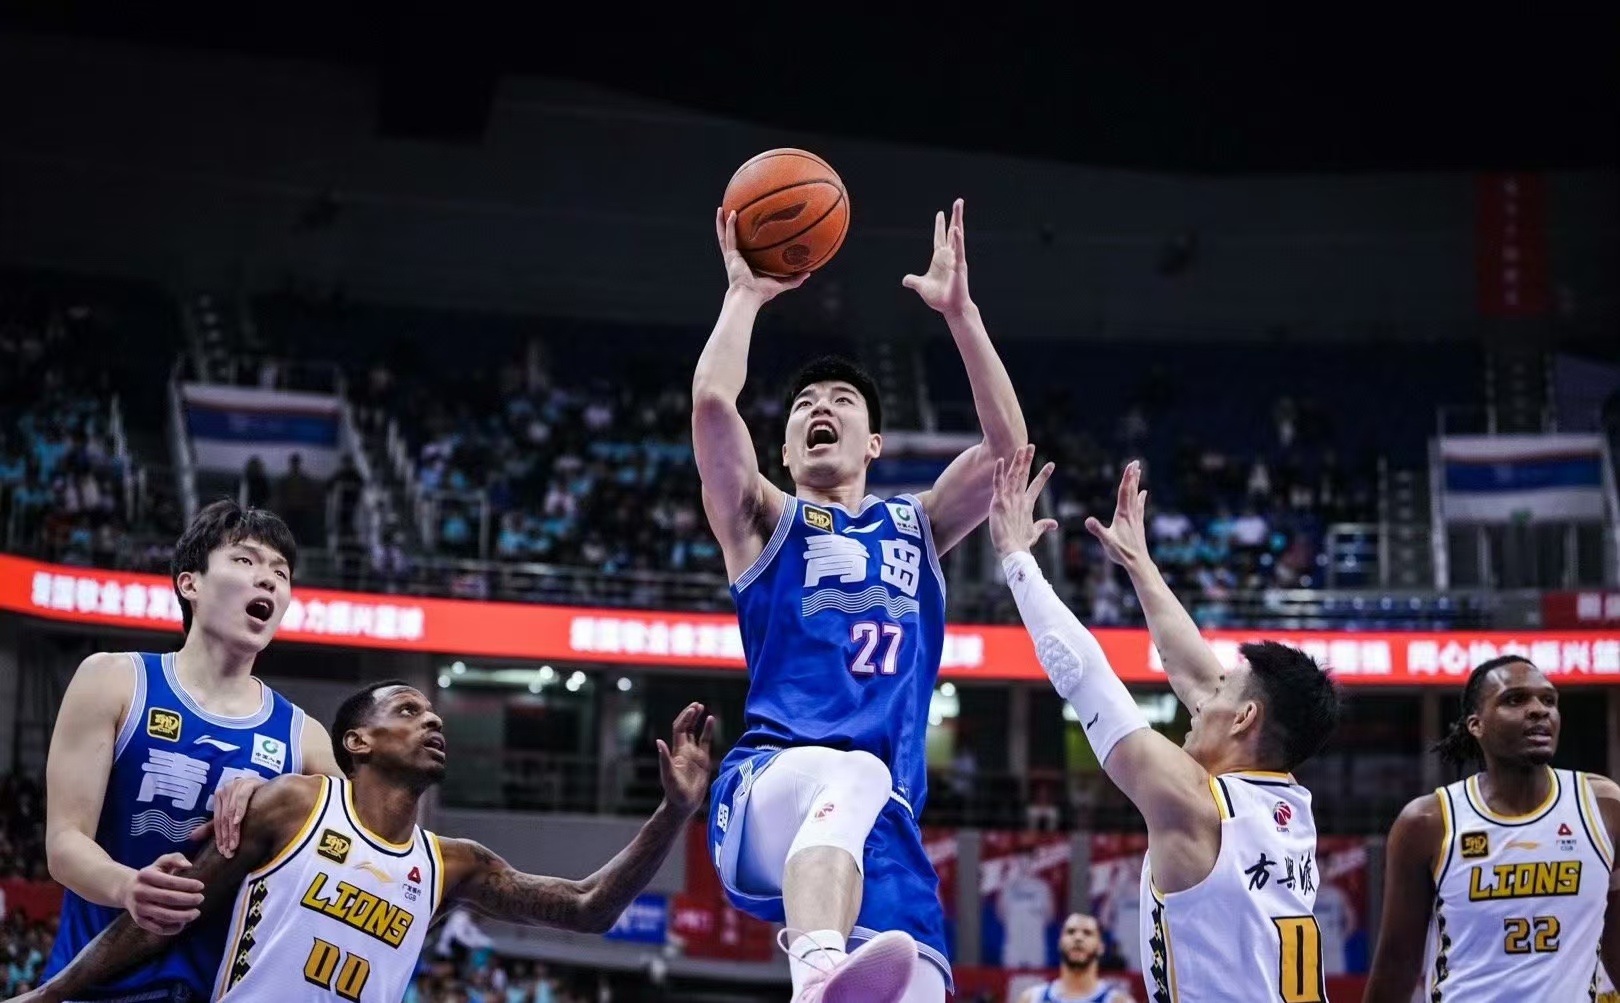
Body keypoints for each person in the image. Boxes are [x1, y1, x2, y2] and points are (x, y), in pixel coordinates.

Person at [695, 200, 1026, 1003]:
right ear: (781, 447)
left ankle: (829, 972)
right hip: (773, 784)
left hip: (887, 828)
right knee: (845, 771)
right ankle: (812, 969)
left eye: (841, 402)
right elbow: (711, 405)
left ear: (875, 443)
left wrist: (961, 313)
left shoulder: (915, 524)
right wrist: (745, 292)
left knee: (914, 987)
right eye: (806, 405)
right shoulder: (762, 519)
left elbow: (1008, 450)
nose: (820, 408)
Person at [20, 684, 713, 1003]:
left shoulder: (450, 862)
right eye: (408, 710)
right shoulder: (295, 804)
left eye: (434, 713)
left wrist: (673, 811)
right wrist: (49, 995)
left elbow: (589, 906)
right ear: (357, 741)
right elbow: (171, 915)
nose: (432, 719)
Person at [990, 450, 1340, 1002]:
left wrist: (1015, 557)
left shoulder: (1197, 805)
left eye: (1222, 692)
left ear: (1246, 718)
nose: (1199, 701)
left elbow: (1083, 673)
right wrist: (1140, 565)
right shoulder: (1288, 807)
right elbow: (1197, 675)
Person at [40, 499, 344, 1000]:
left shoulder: (304, 737)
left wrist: (284, 794)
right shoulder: (114, 680)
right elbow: (65, 843)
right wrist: (127, 887)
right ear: (190, 584)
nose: (267, 579)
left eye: (280, 572)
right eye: (245, 561)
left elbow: (362, 840)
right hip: (99, 986)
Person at [1361, 655, 1620, 1001]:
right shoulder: (1427, 823)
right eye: (1515, 699)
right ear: (1476, 724)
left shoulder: (1603, 806)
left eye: (1549, 700)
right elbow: (1397, 962)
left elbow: (1616, 935)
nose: (1539, 710)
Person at [1018, 913, 1135, 1003]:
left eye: (1087, 933)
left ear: (1101, 947)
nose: (1078, 937)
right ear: (1060, 942)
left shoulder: (1118, 1001)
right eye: (1071, 932)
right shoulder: (1032, 999)